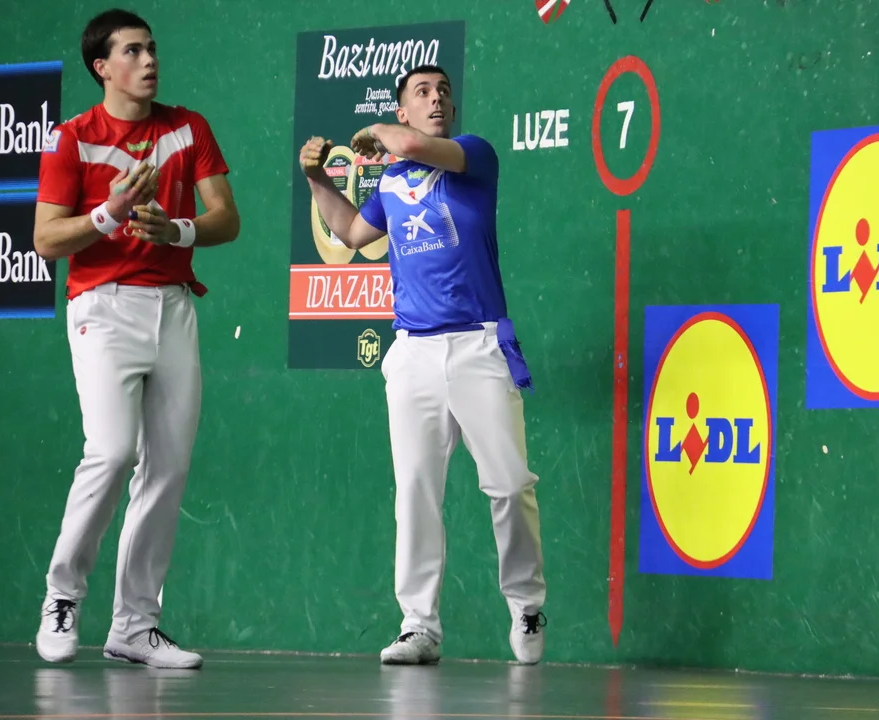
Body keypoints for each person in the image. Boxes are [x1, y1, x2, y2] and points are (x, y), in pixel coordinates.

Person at [298, 64, 547, 666]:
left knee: (510, 483)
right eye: (423, 93)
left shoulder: (473, 157)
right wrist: (316, 179)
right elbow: (349, 233)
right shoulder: (390, 182)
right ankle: (419, 627)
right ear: (404, 108)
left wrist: (381, 133)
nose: (438, 100)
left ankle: (526, 605)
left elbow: (408, 145)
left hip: (479, 346)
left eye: (444, 93)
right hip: (412, 352)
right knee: (414, 491)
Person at [32, 8, 240, 670]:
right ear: (102, 67)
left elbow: (225, 218)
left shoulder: (187, 127)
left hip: (173, 307)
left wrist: (176, 230)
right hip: (103, 309)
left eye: (151, 49)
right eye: (133, 51)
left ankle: (135, 625)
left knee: (168, 468)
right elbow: (46, 240)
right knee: (113, 451)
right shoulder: (73, 139)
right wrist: (109, 213)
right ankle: (62, 596)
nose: (149, 60)